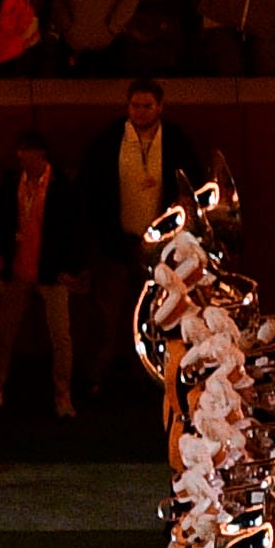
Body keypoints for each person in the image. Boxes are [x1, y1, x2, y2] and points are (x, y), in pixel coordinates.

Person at [78, 80, 200, 398]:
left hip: (162, 248)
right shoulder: (109, 140)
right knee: (107, 314)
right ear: (127, 107)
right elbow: (89, 190)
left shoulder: (176, 141)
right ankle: (95, 376)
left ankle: (152, 376)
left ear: (160, 107)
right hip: (116, 243)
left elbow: (193, 188)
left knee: (158, 314)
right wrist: (101, 237)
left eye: (147, 106)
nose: (141, 112)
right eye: (135, 105)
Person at [0, 131, 84, 418]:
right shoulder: (11, 182)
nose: (21, 157)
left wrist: (72, 268)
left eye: (26, 152)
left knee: (60, 338)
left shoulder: (62, 185)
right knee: (3, 334)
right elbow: (0, 220)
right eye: (19, 152)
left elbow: (77, 228)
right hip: (18, 269)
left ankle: (63, 395)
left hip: (52, 272)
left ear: (41, 154)